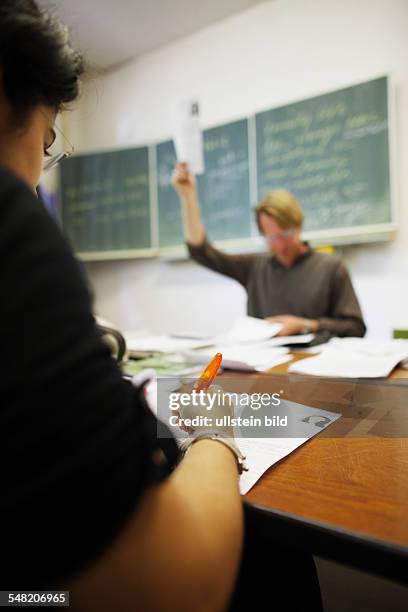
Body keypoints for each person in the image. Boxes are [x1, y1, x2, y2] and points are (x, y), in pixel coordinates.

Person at [0, 2, 244, 610]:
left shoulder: (323, 270)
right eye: (48, 140)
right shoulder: (10, 229)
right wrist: (216, 434)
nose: (34, 181)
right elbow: (163, 589)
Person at [172, 162, 366, 340]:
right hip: (263, 370)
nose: (280, 245)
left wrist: (307, 325)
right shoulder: (255, 267)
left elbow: (356, 328)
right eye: (272, 238)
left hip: (313, 371)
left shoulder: (330, 268)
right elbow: (201, 252)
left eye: (286, 234)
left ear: (299, 226)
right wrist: (188, 197)